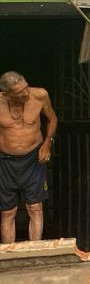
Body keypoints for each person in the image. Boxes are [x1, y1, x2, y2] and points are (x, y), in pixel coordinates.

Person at [0, 71, 57, 243]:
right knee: (8, 211)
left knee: (35, 207)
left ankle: (35, 250)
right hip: (5, 161)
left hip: (33, 159)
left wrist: (47, 143)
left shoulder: (40, 95)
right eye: (19, 92)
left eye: (26, 87)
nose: (25, 93)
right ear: (6, 94)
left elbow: (52, 118)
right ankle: (9, 255)